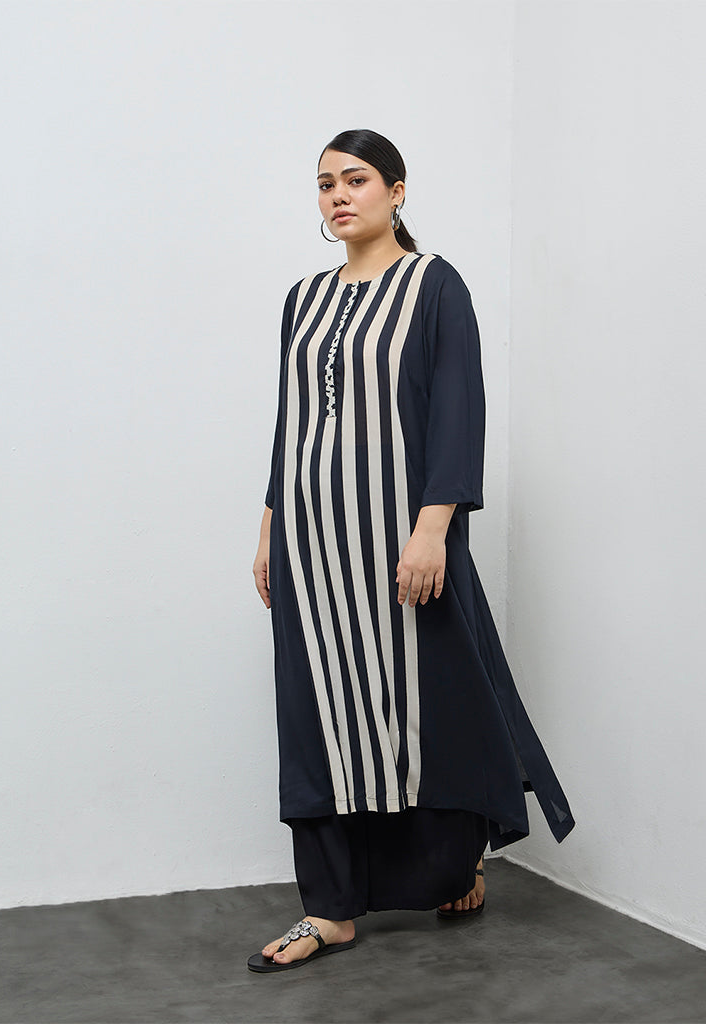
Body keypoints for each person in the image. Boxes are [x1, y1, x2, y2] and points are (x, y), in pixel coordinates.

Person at [248, 129, 575, 973]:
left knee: (429, 705)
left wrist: (432, 529)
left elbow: (458, 409)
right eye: (325, 183)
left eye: (356, 179)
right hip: (311, 545)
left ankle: (454, 866)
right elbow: (292, 421)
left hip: (400, 538)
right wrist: (270, 524)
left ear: (396, 190)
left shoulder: (434, 285)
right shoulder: (302, 299)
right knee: (319, 714)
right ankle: (328, 910)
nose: (338, 195)